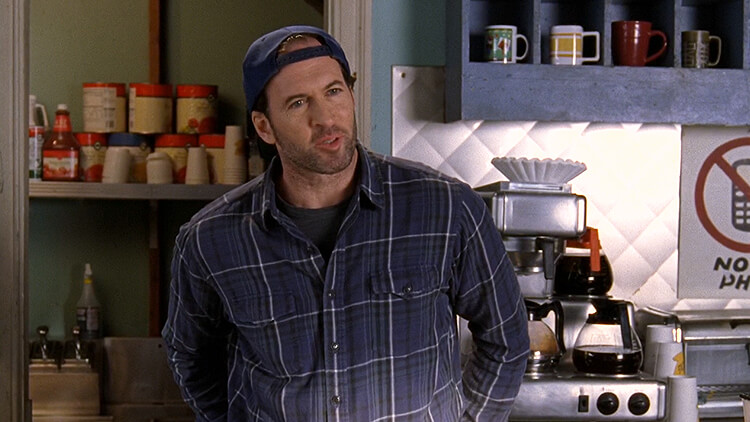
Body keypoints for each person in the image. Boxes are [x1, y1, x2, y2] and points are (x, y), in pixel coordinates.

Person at [162, 24, 529, 422]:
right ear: (264, 127)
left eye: (333, 92)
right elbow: (191, 357)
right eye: (298, 103)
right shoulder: (209, 240)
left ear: (351, 95)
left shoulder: (447, 208)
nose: (325, 118)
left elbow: (506, 338)